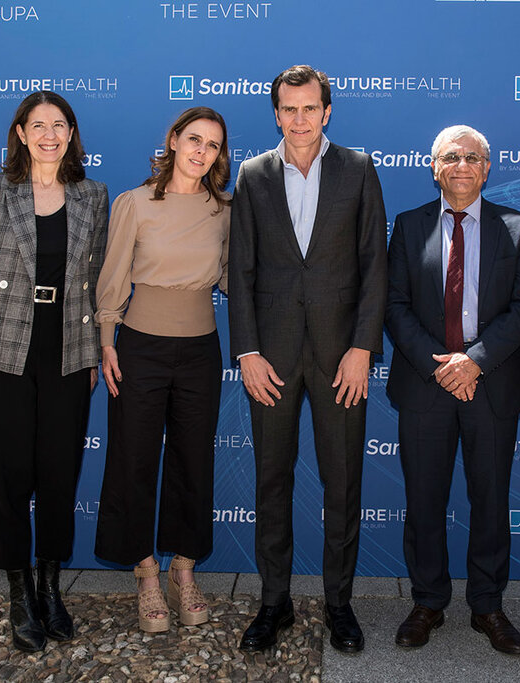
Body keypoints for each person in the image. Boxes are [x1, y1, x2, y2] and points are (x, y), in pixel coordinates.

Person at [227, 64, 387, 654]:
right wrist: (245, 350)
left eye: (309, 108)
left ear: (327, 112)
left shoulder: (358, 169)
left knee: (342, 482)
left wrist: (363, 348)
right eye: (288, 109)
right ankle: (275, 602)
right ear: (276, 113)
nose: (299, 119)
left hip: (341, 358)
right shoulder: (252, 175)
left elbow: (376, 265)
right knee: (272, 480)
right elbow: (240, 273)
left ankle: (339, 604)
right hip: (269, 359)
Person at [0, 90, 108, 652]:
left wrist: (94, 349)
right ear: (19, 133)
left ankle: (49, 585)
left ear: (71, 133)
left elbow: (100, 280)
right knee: (7, 473)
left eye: (58, 124)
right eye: (37, 124)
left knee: (59, 473)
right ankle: (19, 591)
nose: (48, 134)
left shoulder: (92, 195)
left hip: (66, 346)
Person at [385, 125, 520, 653]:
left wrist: (473, 362)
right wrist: (441, 367)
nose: (462, 165)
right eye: (451, 156)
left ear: (487, 168)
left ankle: (488, 607)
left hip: (491, 384)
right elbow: (395, 306)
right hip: (425, 384)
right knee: (423, 501)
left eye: (473, 157)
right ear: (434, 167)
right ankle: (427, 602)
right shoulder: (407, 228)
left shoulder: (518, 229)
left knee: (491, 500)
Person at [93, 107, 230, 633]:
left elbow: (233, 279)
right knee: (133, 459)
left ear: (220, 156)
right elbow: (112, 278)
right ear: (173, 141)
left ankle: (184, 570)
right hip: (139, 348)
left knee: (193, 460)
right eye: (193, 139)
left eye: (213, 145)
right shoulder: (134, 203)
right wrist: (107, 341)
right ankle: (146, 574)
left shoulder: (225, 210)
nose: (201, 151)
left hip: (201, 351)